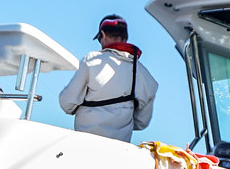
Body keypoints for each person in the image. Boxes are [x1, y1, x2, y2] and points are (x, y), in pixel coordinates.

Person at [58, 14, 158, 144]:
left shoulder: (91, 61)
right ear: (125, 38)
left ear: (103, 35)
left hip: (84, 146)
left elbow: (67, 104)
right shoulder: (146, 77)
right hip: (119, 150)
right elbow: (141, 123)